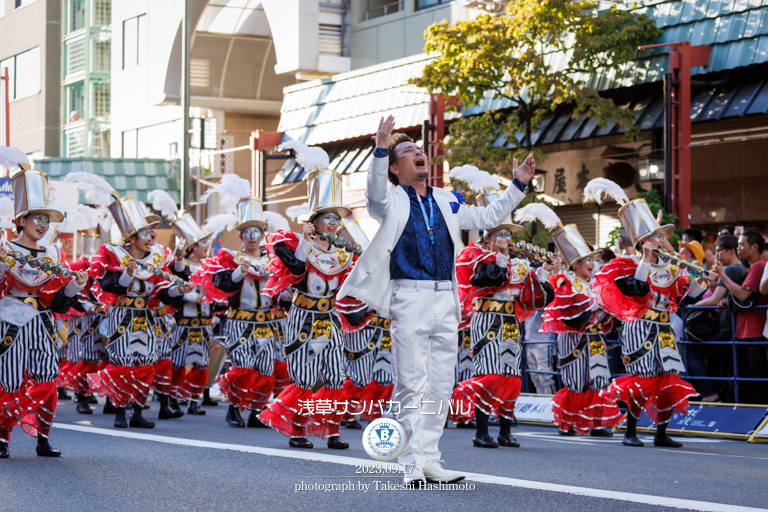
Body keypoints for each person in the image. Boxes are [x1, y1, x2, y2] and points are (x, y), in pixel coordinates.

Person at [337, 116, 533, 484]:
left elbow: (489, 215)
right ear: (396, 168)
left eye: (419, 149)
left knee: (442, 383)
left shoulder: (448, 200)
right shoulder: (390, 198)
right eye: (408, 152)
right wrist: (380, 148)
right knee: (413, 381)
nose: (418, 153)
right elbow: (374, 192)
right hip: (408, 295)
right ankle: (410, 461)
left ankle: (431, 458)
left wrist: (518, 184)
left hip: (446, 296)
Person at [260, 141, 371, 450]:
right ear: (314, 221)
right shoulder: (293, 243)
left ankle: (332, 431)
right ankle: (297, 431)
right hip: (303, 316)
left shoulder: (343, 253)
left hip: (330, 317)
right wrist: (306, 240)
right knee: (306, 377)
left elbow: (354, 286)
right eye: (328, 218)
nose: (334, 224)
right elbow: (295, 270)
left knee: (335, 375)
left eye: (337, 219)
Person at [64, 172, 193, 430]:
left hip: (146, 318)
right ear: (131, 238)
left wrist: (181, 290)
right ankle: (120, 411)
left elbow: (162, 292)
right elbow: (109, 286)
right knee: (123, 362)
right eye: (145, 233)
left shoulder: (157, 258)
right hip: (121, 316)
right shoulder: (113, 256)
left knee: (145, 364)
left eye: (151, 231)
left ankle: (137, 411)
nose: (151, 237)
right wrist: (128, 273)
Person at [584, 178, 707, 448]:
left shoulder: (672, 267)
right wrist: (645, 260)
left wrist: (702, 280)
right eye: (658, 237)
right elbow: (638, 290)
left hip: (664, 329)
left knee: (668, 379)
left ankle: (661, 433)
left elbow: (685, 299)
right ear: (645, 242)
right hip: (640, 327)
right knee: (642, 378)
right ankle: (630, 431)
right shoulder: (631, 265)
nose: (663, 242)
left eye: (663, 237)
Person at [450, 173, 549, 450]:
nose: (505, 239)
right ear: (488, 235)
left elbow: (537, 298)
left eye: (508, 234)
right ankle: (481, 431)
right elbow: (486, 279)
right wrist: (502, 257)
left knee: (511, 375)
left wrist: (541, 277)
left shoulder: (518, 264)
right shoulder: (474, 256)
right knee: (489, 373)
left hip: (510, 321)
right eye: (500, 234)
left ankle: (505, 430)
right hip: (487, 319)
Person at [0, 154, 88, 459]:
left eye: (46, 219)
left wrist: (76, 283)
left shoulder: (53, 254)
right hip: (11, 322)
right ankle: (2, 437)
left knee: (47, 378)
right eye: (37, 217)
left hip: (42, 322)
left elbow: (61, 302)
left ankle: (42, 437)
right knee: (9, 379)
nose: (42, 224)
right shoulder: (6, 250)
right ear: (20, 221)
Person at [197, 177, 286, 429]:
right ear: (240, 236)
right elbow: (221, 283)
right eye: (247, 233)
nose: (252, 237)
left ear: (262, 235)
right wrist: (239, 272)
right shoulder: (230, 258)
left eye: (256, 232)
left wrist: (287, 295)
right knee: (243, 367)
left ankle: (256, 411)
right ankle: (234, 409)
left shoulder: (273, 259)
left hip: (268, 322)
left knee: (266, 368)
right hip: (240, 320)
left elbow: (282, 287)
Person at [529, 206, 622, 437]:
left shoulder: (597, 285)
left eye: (593, 259)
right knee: (576, 381)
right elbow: (566, 316)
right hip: (574, 340)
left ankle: (598, 423)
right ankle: (570, 422)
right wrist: (590, 306)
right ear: (576, 264)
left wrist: (604, 308)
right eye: (587, 259)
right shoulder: (565, 284)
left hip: (596, 338)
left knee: (599, 380)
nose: (592, 263)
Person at [714, 230, 768, 404]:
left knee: (756, 382)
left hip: (754, 332)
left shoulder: (759, 266)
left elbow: (743, 296)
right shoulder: (754, 267)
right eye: (738, 245)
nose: (739, 248)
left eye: (742, 245)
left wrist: (723, 275)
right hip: (747, 331)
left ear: (755, 247)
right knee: (747, 381)